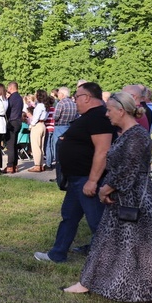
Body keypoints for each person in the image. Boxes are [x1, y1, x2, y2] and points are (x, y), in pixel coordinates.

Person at [62, 92, 152, 303]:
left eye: (109, 110)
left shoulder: (138, 135)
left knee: (145, 250)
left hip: (136, 201)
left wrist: (105, 188)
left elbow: (128, 169)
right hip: (121, 198)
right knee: (104, 242)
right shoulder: (126, 133)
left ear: (121, 110)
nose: (107, 114)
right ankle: (86, 283)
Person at [35, 82, 114, 263]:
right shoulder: (88, 116)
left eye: (77, 97)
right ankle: (57, 253)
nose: (74, 100)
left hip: (88, 180)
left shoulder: (98, 117)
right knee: (69, 217)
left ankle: (110, 262)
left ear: (87, 97)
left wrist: (93, 181)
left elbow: (103, 151)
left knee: (98, 222)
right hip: (77, 179)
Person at [28, 89, 49, 172]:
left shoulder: (39, 105)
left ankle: (37, 165)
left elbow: (36, 117)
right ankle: (41, 164)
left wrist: (31, 125)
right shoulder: (45, 105)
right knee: (41, 146)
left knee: (36, 146)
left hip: (37, 125)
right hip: (43, 124)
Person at [5, 81, 24, 174]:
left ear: (11, 88)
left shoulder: (11, 98)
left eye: (8, 88)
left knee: (10, 145)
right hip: (18, 122)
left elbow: (8, 110)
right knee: (14, 144)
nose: (7, 90)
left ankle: (10, 166)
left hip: (12, 122)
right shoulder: (20, 98)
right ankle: (15, 165)